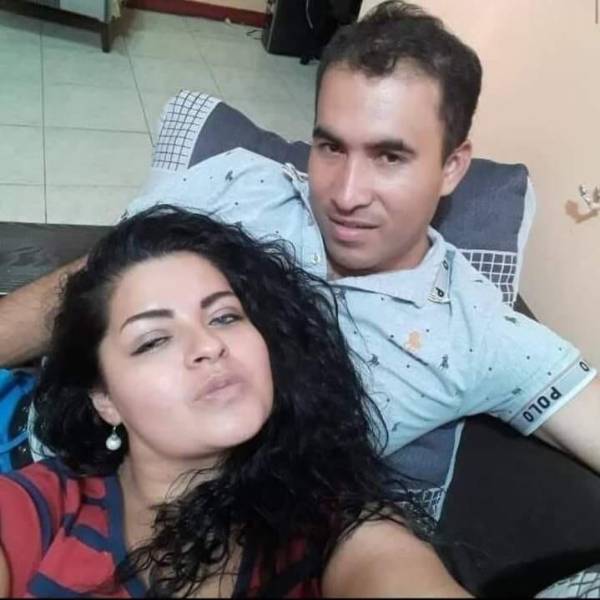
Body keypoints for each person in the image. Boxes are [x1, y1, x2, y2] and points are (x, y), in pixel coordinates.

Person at [0, 0, 599, 590]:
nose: (346, 194)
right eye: (331, 147)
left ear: (452, 167)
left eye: (389, 156)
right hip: (33, 437)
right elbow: (99, 282)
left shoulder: (476, 330)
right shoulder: (242, 185)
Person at [0, 206, 470, 598]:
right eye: (153, 340)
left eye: (225, 317)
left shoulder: (337, 532)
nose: (209, 345)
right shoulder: (39, 508)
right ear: (106, 399)